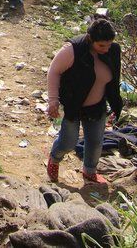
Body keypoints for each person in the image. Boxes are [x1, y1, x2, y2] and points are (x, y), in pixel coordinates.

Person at [46, 18, 123, 185]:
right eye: (101, 45)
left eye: (109, 44)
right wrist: (53, 100)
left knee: (96, 143)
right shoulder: (73, 50)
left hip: (97, 106)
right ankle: (54, 158)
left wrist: (116, 104)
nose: (106, 49)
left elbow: (114, 79)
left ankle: (89, 172)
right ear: (90, 38)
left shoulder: (113, 51)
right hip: (74, 103)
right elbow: (53, 71)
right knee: (68, 143)